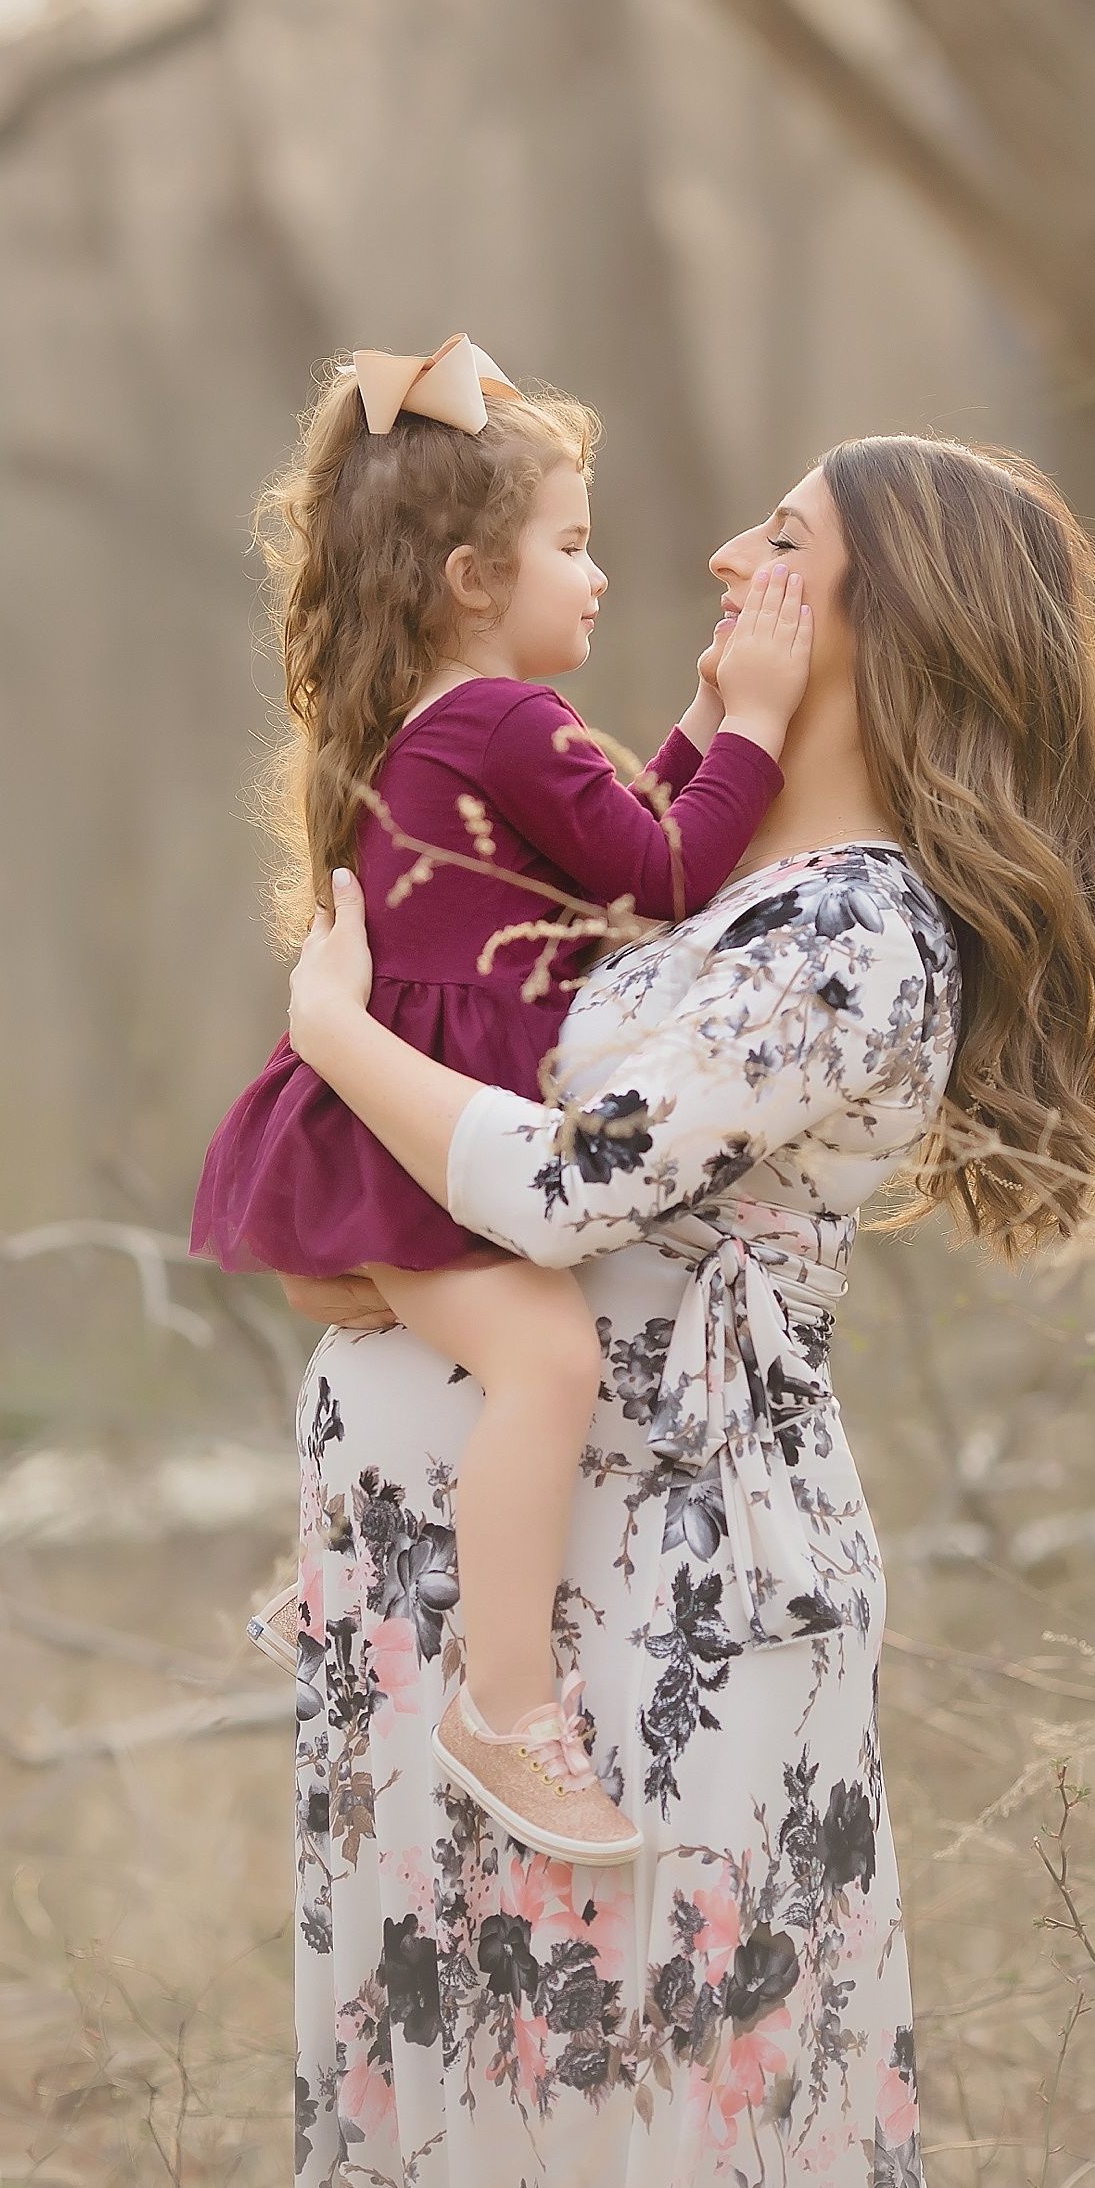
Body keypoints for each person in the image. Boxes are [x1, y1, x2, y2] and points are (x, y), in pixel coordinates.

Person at [276, 434, 1095, 2188]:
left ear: (880, 614)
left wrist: (334, 1037)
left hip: (674, 1593)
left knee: (659, 2089)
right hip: (481, 1592)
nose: (712, 559)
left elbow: (566, 1184)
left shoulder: (855, 934)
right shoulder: (731, 891)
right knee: (473, 2093)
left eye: (779, 538)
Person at [190, 334, 812, 1867]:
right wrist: (765, 722)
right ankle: (507, 1708)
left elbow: (615, 862)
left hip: (398, 1134)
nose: (597, 575)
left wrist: (703, 717)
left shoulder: (458, 724)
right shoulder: (502, 724)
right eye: (572, 545)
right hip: (428, 1145)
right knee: (546, 1363)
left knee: (504, 1365)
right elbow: (669, 875)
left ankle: (362, 1570)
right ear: (476, 574)